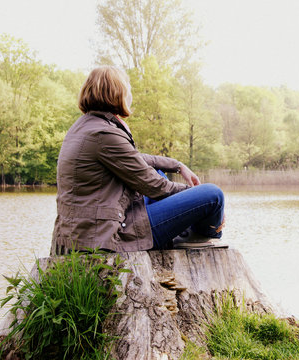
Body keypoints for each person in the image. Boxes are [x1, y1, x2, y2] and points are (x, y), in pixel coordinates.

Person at [51, 66, 225, 255]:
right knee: (213, 196)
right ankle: (202, 234)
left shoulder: (86, 127)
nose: (131, 94)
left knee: (158, 171)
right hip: (107, 235)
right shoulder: (105, 134)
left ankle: (186, 231)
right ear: (117, 93)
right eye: (129, 88)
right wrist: (196, 195)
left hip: (88, 230)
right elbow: (155, 186)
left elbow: (137, 159)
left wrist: (177, 165)